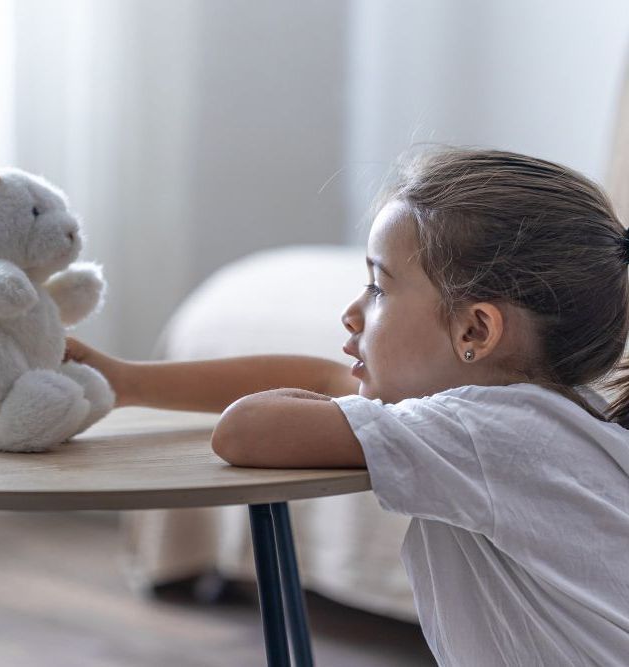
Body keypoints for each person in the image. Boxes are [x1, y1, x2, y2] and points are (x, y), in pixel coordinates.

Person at [64, 147, 629, 665]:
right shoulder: (555, 421)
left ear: (474, 330)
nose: (352, 312)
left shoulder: (483, 432)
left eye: (379, 288)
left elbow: (247, 431)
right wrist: (128, 381)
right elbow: (327, 380)